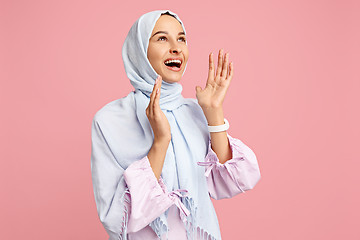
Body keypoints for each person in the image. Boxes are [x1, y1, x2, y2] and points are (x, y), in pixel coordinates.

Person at [91, 10, 261, 240]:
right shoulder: (110, 120)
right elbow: (116, 217)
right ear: (139, 50)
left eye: (181, 38)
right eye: (162, 38)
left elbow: (235, 182)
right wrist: (161, 141)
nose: (176, 48)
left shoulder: (195, 111)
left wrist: (214, 115)